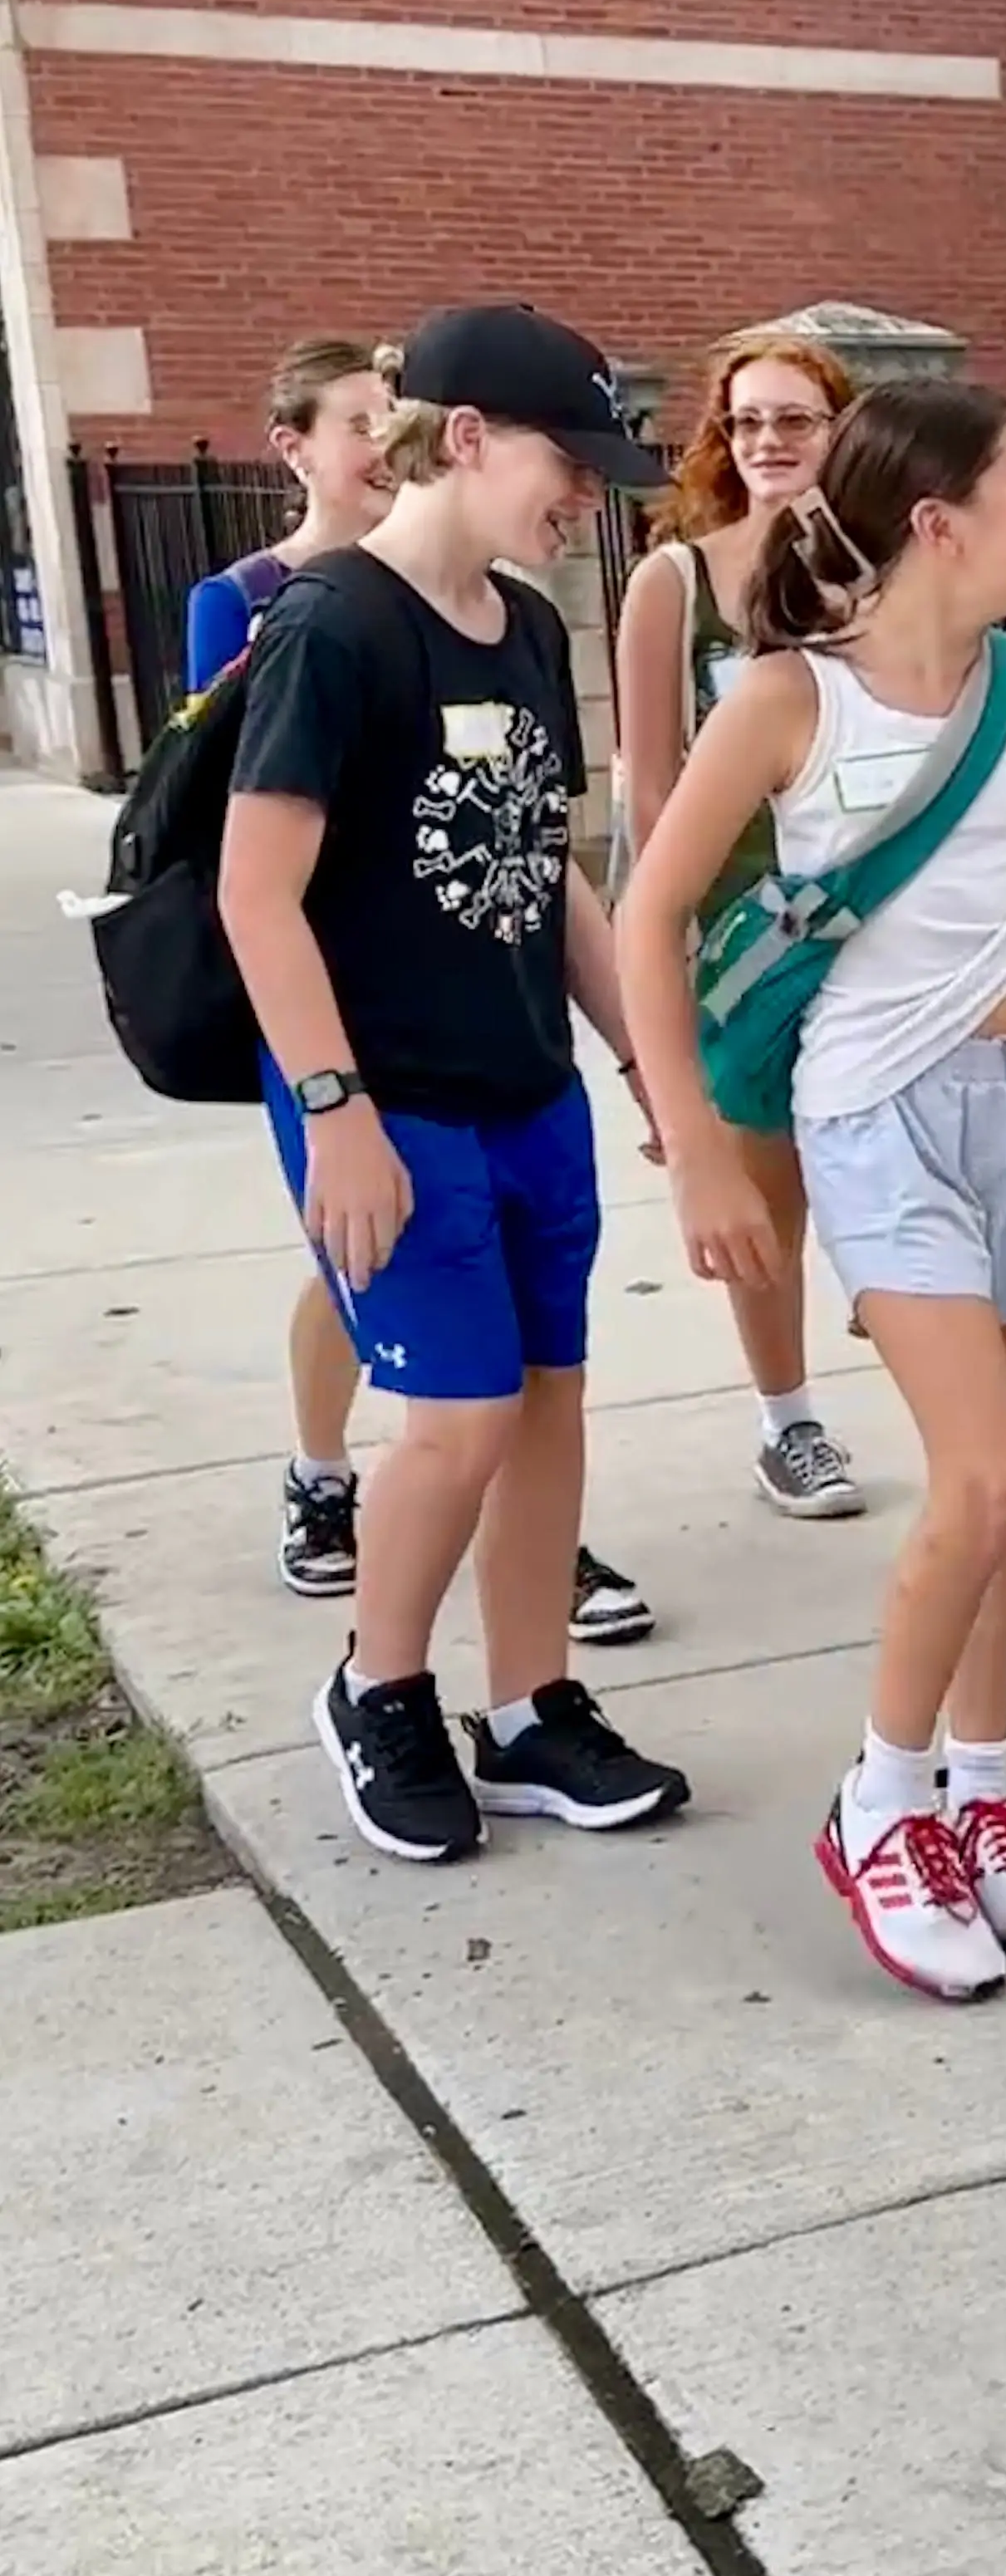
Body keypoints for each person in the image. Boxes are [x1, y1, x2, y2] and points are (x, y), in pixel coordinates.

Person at [617, 380, 1006, 2004]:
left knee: (1005, 1492)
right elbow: (648, 918)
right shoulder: (789, 703)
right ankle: (878, 1803)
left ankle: (981, 1794)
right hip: (876, 1116)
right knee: (988, 1484)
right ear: (937, 521)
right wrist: (704, 1148)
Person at [213, 302, 693, 1862]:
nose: (588, 500)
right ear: (470, 437)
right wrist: (336, 1113)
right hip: (387, 1093)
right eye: (571, 463)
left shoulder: (529, 625)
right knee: (455, 1416)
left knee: (547, 1394)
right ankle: (382, 1685)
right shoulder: (333, 625)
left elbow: (541, 874)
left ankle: (535, 1701)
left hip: (522, 1080)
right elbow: (255, 895)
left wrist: (649, 1069)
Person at [616, 328, 869, 1525]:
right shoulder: (674, 579)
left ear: (841, 431)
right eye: (747, 421)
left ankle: (966, 1431)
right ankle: (788, 1421)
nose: (769, 442)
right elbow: (652, 784)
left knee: (897, 1175)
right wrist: (669, 944)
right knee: (768, 1194)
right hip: (744, 931)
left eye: (795, 420)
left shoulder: (882, 567)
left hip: (877, 913)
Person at [189, 334, 399, 1608]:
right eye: (360, 421)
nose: (385, 444)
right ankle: (322, 1473)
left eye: (398, 418)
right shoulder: (249, 597)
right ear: (297, 447)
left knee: (476, 1256)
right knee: (355, 1246)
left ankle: (497, 1485)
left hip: (438, 960)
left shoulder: (449, 590)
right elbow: (219, 794)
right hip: (313, 967)